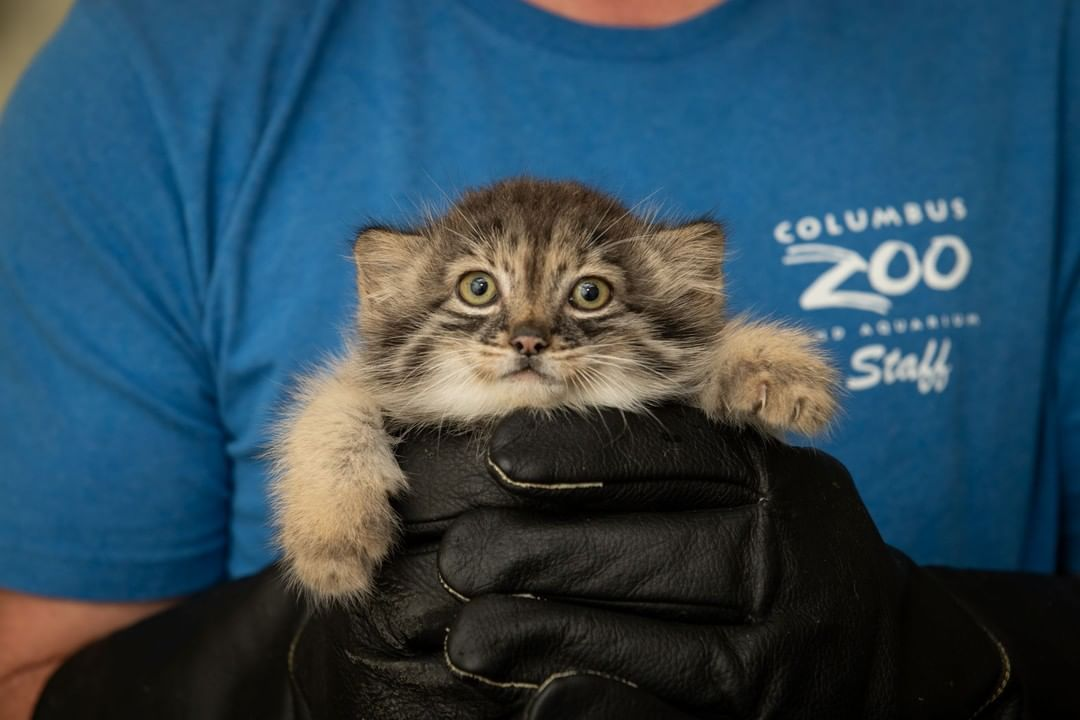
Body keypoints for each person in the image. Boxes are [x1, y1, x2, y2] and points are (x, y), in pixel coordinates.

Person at [1, 0, 1078, 717]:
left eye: (585, 297)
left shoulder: (1043, 40)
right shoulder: (157, 63)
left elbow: (702, 353)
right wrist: (278, 677)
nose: (525, 334)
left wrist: (944, 653)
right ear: (383, 293)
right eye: (479, 293)